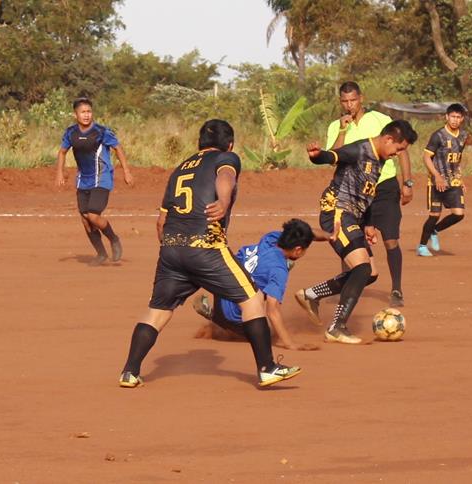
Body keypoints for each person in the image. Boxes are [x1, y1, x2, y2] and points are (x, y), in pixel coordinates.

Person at [118, 119, 300, 389]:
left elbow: (160, 222)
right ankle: (267, 368)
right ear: (230, 144)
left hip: (171, 249)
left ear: (198, 144)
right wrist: (224, 201)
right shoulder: (227, 157)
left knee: (157, 311)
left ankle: (129, 372)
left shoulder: (180, 169)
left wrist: (173, 253)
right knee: (251, 299)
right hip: (206, 245)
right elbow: (225, 176)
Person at [296, 120, 418, 344]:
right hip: (336, 213)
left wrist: (368, 223)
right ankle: (336, 327)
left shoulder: (380, 158)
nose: (398, 154)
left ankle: (312, 294)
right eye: (399, 149)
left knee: (369, 274)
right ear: (388, 139)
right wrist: (316, 155)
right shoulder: (359, 149)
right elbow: (332, 157)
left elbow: (366, 193)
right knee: (361, 268)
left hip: (354, 216)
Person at [323, 81, 414, 307]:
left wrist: (407, 182)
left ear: (361, 98)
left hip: (383, 186)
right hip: (354, 192)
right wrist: (343, 129)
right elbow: (332, 155)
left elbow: (401, 151)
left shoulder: (381, 120)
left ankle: (396, 289)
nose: (349, 105)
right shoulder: (337, 125)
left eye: (352, 100)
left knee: (391, 239)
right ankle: (347, 287)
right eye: (344, 101)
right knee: (352, 241)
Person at [192, 219, 332, 351]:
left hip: (221, 292)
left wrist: (329, 236)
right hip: (232, 315)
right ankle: (217, 318)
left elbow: (309, 233)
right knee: (266, 334)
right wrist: (290, 343)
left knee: (253, 278)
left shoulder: (270, 238)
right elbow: (273, 311)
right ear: (298, 250)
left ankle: (220, 314)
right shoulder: (278, 270)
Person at [55, 97, 134, 266]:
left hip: (102, 178)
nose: (86, 115)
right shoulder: (71, 133)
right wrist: (60, 173)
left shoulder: (101, 131)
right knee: (85, 219)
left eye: (89, 111)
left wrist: (126, 171)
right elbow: (62, 152)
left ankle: (113, 239)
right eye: (83, 112)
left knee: (93, 215)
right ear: (75, 114)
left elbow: (117, 147)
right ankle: (101, 254)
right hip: (83, 180)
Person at [417, 103, 468, 257]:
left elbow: (456, 159)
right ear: (446, 117)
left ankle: (435, 230)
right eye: (452, 116)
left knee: (459, 214)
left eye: (458, 117)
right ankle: (422, 246)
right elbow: (426, 157)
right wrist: (437, 176)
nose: (455, 120)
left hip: (453, 181)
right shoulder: (438, 135)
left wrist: (461, 179)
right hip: (436, 182)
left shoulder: (463, 135)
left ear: (462, 119)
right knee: (434, 215)